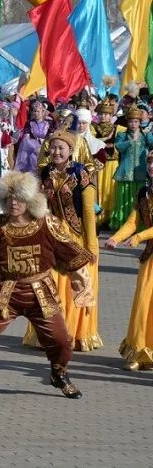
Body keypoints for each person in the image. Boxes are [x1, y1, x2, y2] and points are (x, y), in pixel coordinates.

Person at [0, 172, 93, 400]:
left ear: (30, 200)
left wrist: (84, 288)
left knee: (62, 340)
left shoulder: (47, 224)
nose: (14, 203)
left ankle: (59, 374)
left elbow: (71, 253)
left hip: (41, 293)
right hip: (7, 293)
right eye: (9, 198)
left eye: (19, 198)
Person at [27, 129, 102, 351]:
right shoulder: (44, 173)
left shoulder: (80, 175)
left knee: (73, 287)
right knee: (49, 287)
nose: (57, 152)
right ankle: (50, 332)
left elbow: (88, 212)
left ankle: (72, 333)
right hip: (51, 238)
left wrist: (91, 246)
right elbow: (37, 207)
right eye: (54, 147)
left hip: (75, 239)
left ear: (71, 151)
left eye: (62, 148)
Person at [106, 153, 153, 371]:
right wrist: (116, 238)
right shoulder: (143, 192)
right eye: (151, 163)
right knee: (143, 304)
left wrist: (139, 237)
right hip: (150, 258)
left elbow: (141, 232)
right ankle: (140, 351)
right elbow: (133, 221)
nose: (152, 167)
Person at [110, 105, 153, 229]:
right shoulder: (122, 135)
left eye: (136, 122)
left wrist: (147, 135)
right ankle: (123, 223)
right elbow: (118, 147)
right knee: (123, 199)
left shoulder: (145, 135)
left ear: (140, 123)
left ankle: (139, 224)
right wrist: (130, 141)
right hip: (124, 172)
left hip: (140, 172)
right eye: (130, 122)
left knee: (140, 200)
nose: (133, 124)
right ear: (127, 122)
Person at [93, 98, 121, 227]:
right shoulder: (92, 128)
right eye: (101, 114)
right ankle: (98, 217)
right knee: (98, 190)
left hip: (113, 164)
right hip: (98, 164)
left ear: (111, 115)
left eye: (106, 114)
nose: (103, 116)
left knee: (110, 190)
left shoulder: (119, 129)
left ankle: (110, 217)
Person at [14, 100, 54, 173]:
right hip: (32, 151)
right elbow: (26, 138)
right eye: (34, 111)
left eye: (38, 111)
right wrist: (35, 145)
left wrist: (45, 142)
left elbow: (51, 136)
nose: (36, 113)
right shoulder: (29, 123)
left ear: (42, 112)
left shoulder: (48, 123)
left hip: (45, 149)